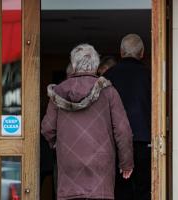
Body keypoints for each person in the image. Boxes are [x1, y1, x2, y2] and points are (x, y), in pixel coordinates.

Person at [41, 44, 134, 200]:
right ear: (96, 66)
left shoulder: (58, 93)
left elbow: (47, 128)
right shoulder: (109, 92)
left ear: (74, 65)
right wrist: (126, 163)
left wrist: (58, 144)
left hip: (69, 165)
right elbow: (123, 130)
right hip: (101, 165)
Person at [104, 34, 151, 200]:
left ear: (121, 52)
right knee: (144, 190)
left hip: (114, 144)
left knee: (119, 191)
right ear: (142, 53)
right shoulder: (150, 76)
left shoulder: (108, 76)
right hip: (145, 142)